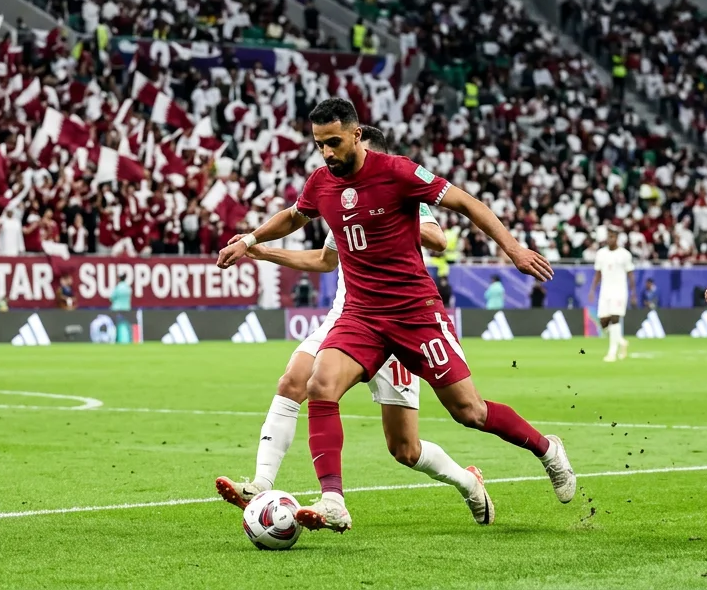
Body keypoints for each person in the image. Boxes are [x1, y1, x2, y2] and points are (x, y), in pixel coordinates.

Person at [217, 99, 573, 534]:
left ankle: (547, 449)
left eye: (333, 143)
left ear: (356, 134)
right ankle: (333, 501)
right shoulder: (321, 183)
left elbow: (466, 203)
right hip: (361, 315)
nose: (327, 154)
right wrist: (250, 239)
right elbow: (294, 216)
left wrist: (513, 249)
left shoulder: (398, 171)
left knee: (469, 412)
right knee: (318, 383)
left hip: (413, 313)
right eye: (319, 145)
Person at [589, 230, 635, 362]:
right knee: (603, 321)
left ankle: (612, 352)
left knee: (615, 318)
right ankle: (620, 341)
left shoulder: (625, 254)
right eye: (608, 237)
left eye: (613, 237)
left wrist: (633, 293)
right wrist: (592, 290)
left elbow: (630, 274)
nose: (610, 239)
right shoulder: (601, 254)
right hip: (605, 291)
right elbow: (598, 273)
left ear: (617, 238)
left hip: (619, 290)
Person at [110, 275, 132, 344]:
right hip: (127, 308)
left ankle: (116, 339)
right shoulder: (128, 288)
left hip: (117, 309)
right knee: (126, 324)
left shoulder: (118, 287)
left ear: (119, 279)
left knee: (116, 325)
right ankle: (128, 339)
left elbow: (111, 297)